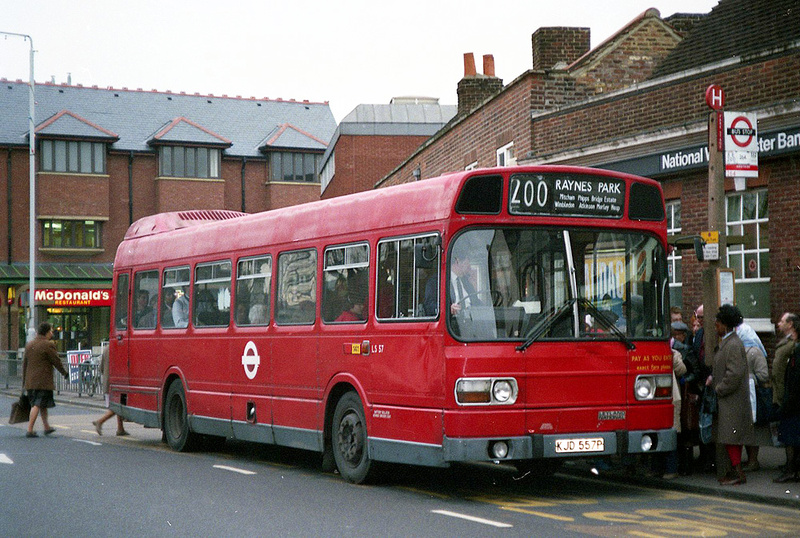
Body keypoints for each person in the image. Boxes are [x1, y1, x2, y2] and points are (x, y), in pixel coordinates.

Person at [707, 304, 755, 485]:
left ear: (725, 324)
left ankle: (737, 473)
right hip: (728, 400)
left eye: (717, 323)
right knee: (729, 437)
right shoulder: (729, 342)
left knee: (731, 438)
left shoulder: (733, 344)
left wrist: (719, 388)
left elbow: (734, 373)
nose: (715, 326)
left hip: (732, 401)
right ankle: (732, 471)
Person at [22, 322, 68, 438]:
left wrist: (24, 381)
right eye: (51, 331)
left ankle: (46, 427)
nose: (52, 333)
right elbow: (56, 361)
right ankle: (30, 429)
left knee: (42, 404)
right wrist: (64, 373)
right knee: (37, 404)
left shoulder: (29, 344)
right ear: (46, 332)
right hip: (42, 381)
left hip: (30, 381)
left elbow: (24, 364)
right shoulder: (48, 345)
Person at [736, 322, 769, 472]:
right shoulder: (738, 350)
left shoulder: (755, 352)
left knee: (753, 430)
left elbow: (764, 376)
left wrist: (749, 378)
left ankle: (753, 460)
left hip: (753, 396)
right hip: (741, 395)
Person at [772, 312, 799, 471]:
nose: (778, 324)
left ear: (790, 324)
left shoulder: (794, 345)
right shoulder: (786, 343)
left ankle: (792, 466)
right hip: (781, 392)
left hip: (789, 394)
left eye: (782, 321)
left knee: (790, 432)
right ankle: (790, 464)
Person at [92, 346, 128, 436]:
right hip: (116, 382)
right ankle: (100, 421)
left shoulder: (106, 349)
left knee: (118, 405)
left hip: (107, 382)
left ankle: (120, 429)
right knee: (116, 407)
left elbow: (101, 368)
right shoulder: (119, 349)